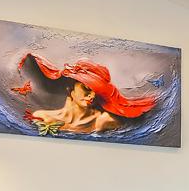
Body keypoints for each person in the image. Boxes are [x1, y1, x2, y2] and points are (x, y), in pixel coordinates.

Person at [14, 53, 157, 135]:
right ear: (69, 89)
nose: (92, 95)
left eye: (95, 91)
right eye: (86, 88)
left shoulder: (104, 121)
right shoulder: (42, 117)